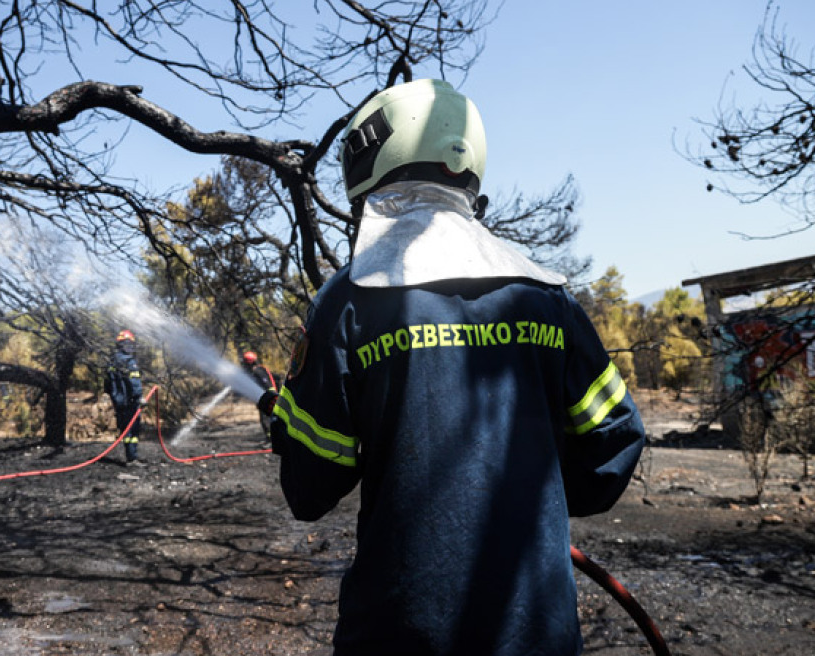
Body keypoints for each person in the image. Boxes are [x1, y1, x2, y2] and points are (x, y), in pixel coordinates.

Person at [269, 79, 646, 655]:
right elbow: (612, 444)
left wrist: (287, 425)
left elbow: (310, 487)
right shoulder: (550, 300)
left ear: (367, 174)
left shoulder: (348, 304)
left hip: (399, 634)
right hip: (538, 632)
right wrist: (526, 496)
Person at [106, 329, 145, 466]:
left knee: (125, 429)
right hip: (131, 402)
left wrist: (115, 397)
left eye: (130, 344)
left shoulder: (112, 361)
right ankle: (132, 458)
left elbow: (108, 385)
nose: (129, 347)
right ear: (121, 345)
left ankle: (130, 456)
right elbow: (135, 383)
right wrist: (139, 397)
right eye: (127, 344)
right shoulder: (129, 362)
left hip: (119, 401)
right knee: (133, 429)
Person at [241, 350, 277, 439]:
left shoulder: (258, 371)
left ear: (249, 363)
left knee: (265, 419)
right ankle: (271, 438)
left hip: (269, 398)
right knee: (268, 419)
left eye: (245, 363)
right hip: (267, 397)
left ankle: (270, 439)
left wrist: (270, 398)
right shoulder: (257, 370)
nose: (244, 365)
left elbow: (268, 385)